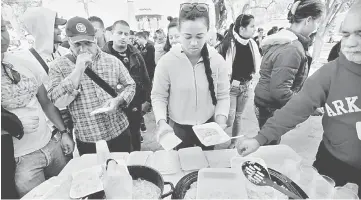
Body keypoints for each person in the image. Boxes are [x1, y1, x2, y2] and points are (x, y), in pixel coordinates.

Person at [236, 2, 361, 196]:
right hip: (331, 162)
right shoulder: (329, 72)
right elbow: (296, 107)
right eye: (345, 34)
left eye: (360, 33)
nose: (351, 42)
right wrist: (261, 138)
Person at [1, 17, 73, 197]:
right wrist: (9, 125)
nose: (1, 37)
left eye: (2, 29)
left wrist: (63, 133)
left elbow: (46, 102)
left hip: (51, 145)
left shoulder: (23, 60)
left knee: (69, 191)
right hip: (20, 161)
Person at [48, 17, 136, 155]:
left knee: (125, 170)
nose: (83, 49)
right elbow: (55, 99)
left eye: (87, 43)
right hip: (88, 139)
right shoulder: (58, 66)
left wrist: (118, 101)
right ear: (69, 42)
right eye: (77, 44)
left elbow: (130, 85)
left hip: (119, 131)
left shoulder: (112, 61)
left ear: (94, 39)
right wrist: (77, 71)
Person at [152, 2, 230, 150]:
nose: (194, 43)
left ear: (207, 32)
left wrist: (220, 120)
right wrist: (162, 123)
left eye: (200, 36)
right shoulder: (167, 61)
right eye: (187, 36)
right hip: (179, 128)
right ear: (179, 33)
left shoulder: (217, 60)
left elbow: (223, 95)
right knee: (182, 166)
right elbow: (158, 96)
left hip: (208, 125)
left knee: (207, 166)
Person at [253, 0, 324, 143]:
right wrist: (305, 106)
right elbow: (279, 89)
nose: (317, 27)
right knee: (270, 146)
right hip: (269, 107)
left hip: (265, 103)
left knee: (268, 143)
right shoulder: (292, 48)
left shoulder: (286, 40)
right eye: (318, 22)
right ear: (308, 20)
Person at [102, 20, 151, 151]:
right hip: (113, 107)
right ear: (112, 34)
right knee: (117, 144)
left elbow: (145, 79)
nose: (123, 37)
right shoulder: (103, 56)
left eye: (126, 33)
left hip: (134, 105)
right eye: (119, 33)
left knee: (135, 138)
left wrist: (147, 101)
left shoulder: (136, 54)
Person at [217, 14, 262, 148]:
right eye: (252, 26)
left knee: (238, 117)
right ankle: (214, 138)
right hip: (231, 88)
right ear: (242, 29)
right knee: (229, 120)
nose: (254, 29)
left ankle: (233, 142)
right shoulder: (228, 44)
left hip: (245, 87)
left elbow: (256, 66)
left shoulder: (252, 44)